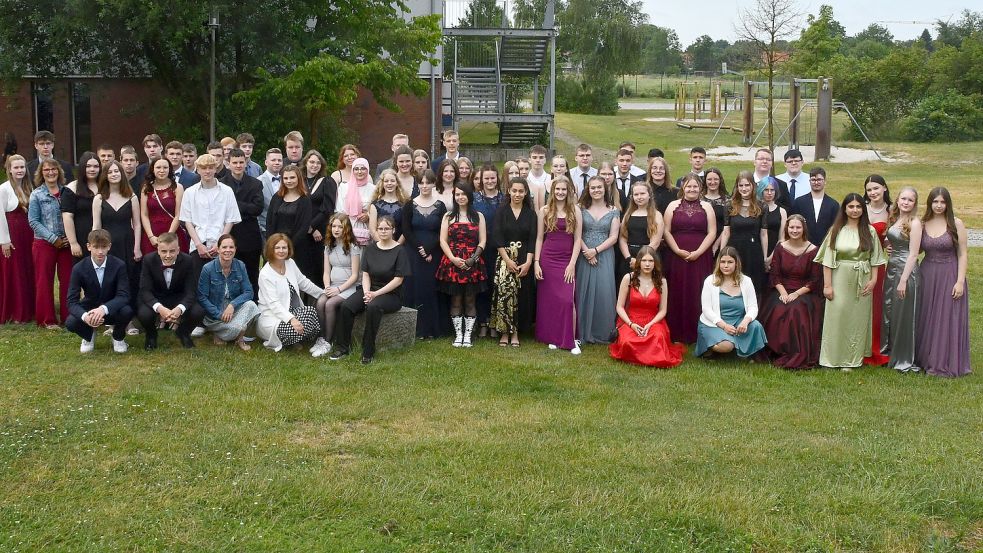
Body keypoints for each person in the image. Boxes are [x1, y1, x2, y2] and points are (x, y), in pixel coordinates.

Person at [815, 193, 887, 370]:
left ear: (863, 209)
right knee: (837, 317)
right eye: (851, 207)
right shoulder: (836, 230)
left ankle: (852, 359)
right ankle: (831, 358)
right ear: (845, 209)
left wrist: (873, 280)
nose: (855, 210)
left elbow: (876, 258)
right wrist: (827, 285)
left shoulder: (868, 231)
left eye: (858, 207)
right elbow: (827, 260)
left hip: (862, 278)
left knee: (856, 320)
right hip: (839, 278)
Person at [329, 216, 411, 364]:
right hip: (370, 289)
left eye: (387, 228)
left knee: (373, 307)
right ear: (376, 230)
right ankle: (342, 347)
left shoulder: (400, 251)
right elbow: (365, 274)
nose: (383, 231)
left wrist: (375, 294)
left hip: (391, 294)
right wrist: (367, 292)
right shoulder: (371, 248)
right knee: (347, 306)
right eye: (380, 228)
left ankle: (368, 351)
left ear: (393, 230)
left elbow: (398, 280)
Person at [916, 187, 970, 377]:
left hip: (950, 273)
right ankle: (926, 357)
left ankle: (944, 361)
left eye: (942, 202)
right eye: (935, 202)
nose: (939, 206)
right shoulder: (922, 224)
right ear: (930, 203)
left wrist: (960, 281)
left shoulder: (956, 224)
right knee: (927, 316)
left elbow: (963, 254)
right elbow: (916, 250)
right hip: (928, 273)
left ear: (948, 204)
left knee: (946, 316)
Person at [758, 215, 822, 369]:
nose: (794, 230)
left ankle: (795, 351)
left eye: (798, 227)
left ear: (803, 229)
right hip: (782, 289)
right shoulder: (780, 247)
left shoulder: (813, 250)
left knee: (796, 310)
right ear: (787, 228)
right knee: (778, 308)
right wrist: (784, 293)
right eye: (791, 227)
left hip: (804, 292)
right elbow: (775, 275)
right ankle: (776, 351)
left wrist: (796, 294)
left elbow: (814, 280)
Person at [663, 173, 716, 344]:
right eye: (689, 186)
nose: (692, 189)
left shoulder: (707, 207)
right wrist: (677, 250)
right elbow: (666, 231)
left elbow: (712, 232)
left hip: (701, 256)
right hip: (676, 256)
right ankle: (677, 332)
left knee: (698, 291)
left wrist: (699, 252)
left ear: (700, 188)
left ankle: (697, 333)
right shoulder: (672, 205)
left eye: (695, 186)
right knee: (677, 290)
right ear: (683, 187)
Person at [609, 246, 684, 367]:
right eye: (644, 260)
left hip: (654, 321)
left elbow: (663, 310)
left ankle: (645, 356)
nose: (647, 264)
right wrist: (631, 325)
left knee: (657, 339)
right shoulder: (628, 278)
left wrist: (650, 325)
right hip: (630, 321)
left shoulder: (662, 281)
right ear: (638, 262)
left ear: (655, 263)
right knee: (628, 342)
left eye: (651, 261)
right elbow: (619, 307)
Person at [92, 160, 143, 335]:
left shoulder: (132, 196)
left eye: (117, 171)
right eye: (110, 172)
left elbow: (137, 225)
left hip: (127, 245)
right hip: (107, 248)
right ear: (105, 175)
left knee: (127, 282)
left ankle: (128, 322)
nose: (114, 174)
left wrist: (137, 247)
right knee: (109, 283)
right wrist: (95, 249)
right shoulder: (99, 199)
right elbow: (96, 226)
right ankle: (112, 322)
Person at [534, 176, 583, 354]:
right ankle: (553, 336)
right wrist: (537, 262)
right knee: (551, 301)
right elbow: (540, 238)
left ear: (568, 191)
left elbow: (578, 239)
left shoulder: (575, 210)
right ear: (552, 191)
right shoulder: (545, 210)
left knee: (567, 300)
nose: (560, 193)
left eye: (564, 190)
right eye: (557, 190)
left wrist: (572, 264)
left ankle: (572, 339)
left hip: (566, 259)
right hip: (548, 258)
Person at [436, 183, 488, 347]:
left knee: (470, 300)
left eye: (463, 194)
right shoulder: (448, 216)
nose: (460, 197)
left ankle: (468, 335)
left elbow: (483, 240)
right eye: (457, 194)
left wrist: (473, 259)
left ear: (469, 196)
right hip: (452, 262)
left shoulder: (478, 216)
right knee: (456, 300)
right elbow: (443, 240)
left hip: (473, 262)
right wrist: (452, 258)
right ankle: (458, 334)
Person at [65, 229, 133, 353]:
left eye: (104, 247)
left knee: (127, 311)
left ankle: (118, 337)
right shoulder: (78, 268)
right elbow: (71, 301)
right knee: (71, 322)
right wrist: (86, 317)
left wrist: (103, 309)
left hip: (112, 308)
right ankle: (88, 335)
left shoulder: (119, 265)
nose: (100, 251)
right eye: (96, 247)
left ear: (109, 247)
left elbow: (124, 295)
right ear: (88, 246)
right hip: (90, 307)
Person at [256, 233, 325, 353]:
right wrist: (292, 319)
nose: (281, 251)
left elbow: (304, 283)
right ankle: (289, 340)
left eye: (284, 248)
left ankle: (295, 339)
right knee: (294, 328)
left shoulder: (290, 263)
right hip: (272, 318)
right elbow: (274, 305)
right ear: (270, 250)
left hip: (291, 312)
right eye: (277, 248)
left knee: (311, 312)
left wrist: (323, 293)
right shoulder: (265, 274)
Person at [179, 154, 242, 283]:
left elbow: (230, 219)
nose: (207, 171)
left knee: (220, 283)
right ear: (197, 169)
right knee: (198, 283)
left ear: (215, 168)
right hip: (198, 245)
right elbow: (187, 221)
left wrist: (220, 243)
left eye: (210, 167)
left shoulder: (227, 191)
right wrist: (198, 244)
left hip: (221, 246)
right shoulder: (189, 192)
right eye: (203, 168)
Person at [695, 247, 767, 359]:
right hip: (714, 324)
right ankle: (711, 348)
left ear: (736, 263)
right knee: (726, 346)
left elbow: (753, 307)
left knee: (756, 326)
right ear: (718, 263)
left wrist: (745, 322)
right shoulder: (710, 280)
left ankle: (745, 350)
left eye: (730, 262)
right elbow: (706, 309)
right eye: (723, 262)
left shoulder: (746, 281)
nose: (726, 265)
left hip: (738, 322)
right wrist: (724, 326)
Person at [490, 177, 537, 347]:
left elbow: (533, 239)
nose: (517, 194)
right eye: (514, 190)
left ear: (526, 193)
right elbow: (497, 237)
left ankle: (516, 331)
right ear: (508, 191)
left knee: (521, 295)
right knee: (505, 295)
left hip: (524, 259)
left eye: (521, 191)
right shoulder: (501, 212)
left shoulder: (531, 214)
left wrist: (529, 262)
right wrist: (507, 260)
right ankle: (504, 331)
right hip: (505, 258)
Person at [401, 169, 448, 339]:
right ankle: (416, 329)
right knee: (414, 289)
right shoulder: (409, 204)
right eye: (421, 182)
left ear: (434, 183)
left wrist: (429, 249)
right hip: (413, 253)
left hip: (434, 253)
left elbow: (443, 231)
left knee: (431, 289)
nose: (425, 185)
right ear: (418, 184)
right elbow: (406, 230)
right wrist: (420, 248)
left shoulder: (440, 206)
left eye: (428, 182)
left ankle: (432, 329)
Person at [138, 232, 205, 350]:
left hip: (177, 298)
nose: (168, 255)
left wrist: (180, 308)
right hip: (156, 297)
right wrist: (160, 308)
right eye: (164, 251)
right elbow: (145, 290)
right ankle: (151, 335)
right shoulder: (148, 260)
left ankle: (183, 332)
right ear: (158, 250)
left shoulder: (188, 260)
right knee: (144, 314)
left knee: (198, 311)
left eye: (172, 251)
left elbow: (191, 291)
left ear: (178, 250)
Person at [575, 176, 620, 344]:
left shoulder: (613, 210)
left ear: (605, 188)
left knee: (603, 291)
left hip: (605, 254)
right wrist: (587, 251)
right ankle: (581, 329)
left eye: (599, 187)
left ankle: (601, 331)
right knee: (582, 290)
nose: (596, 190)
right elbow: (576, 233)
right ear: (588, 189)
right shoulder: (580, 208)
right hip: (583, 252)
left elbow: (614, 237)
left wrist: (596, 251)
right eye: (592, 187)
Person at [28, 158, 73, 328]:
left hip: (66, 243)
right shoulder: (37, 194)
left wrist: (69, 237)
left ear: (59, 171)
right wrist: (53, 239)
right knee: (44, 281)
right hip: (44, 243)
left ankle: (69, 317)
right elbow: (33, 221)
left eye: (54, 169)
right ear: (41, 173)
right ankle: (47, 320)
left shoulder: (67, 192)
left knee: (68, 280)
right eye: (46, 170)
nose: (51, 172)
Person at [881, 187, 922, 373]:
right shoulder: (895, 218)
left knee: (904, 314)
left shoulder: (915, 223)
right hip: (892, 267)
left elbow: (914, 254)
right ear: (897, 200)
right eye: (903, 199)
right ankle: (891, 352)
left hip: (907, 270)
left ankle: (905, 357)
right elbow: (892, 239)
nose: (906, 202)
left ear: (914, 204)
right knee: (891, 311)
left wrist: (904, 280)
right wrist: (889, 246)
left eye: (910, 200)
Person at [197, 234, 260, 350]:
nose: (228, 250)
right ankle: (226, 331)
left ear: (235, 249)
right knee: (236, 327)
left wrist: (232, 305)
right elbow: (202, 297)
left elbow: (249, 292)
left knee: (252, 305)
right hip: (215, 314)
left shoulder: (240, 265)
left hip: (233, 310)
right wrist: (219, 314)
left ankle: (236, 337)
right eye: (224, 247)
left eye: (231, 247)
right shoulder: (208, 268)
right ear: (218, 249)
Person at [311, 214, 362, 357]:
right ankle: (322, 338)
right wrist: (327, 287)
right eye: (334, 226)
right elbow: (326, 271)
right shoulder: (328, 246)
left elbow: (355, 275)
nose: (336, 229)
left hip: (348, 287)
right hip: (333, 285)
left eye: (340, 226)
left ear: (346, 228)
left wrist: (339, 290)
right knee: (321, 302)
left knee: (330, 304)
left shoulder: (353, 247)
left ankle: (328, 340)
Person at [221, 148, 265, 296]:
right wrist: (246, 207)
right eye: (235, 162)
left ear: (246, 162)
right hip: (229, 233)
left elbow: (257, 209)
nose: (238, 165)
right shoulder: (221, 184)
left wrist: (235, 204)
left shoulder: (255, 184)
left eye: (241, 162)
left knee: (251, 273)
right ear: (229, 163)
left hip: (250, 236)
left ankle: (253, 303)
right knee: (229, 273)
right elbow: (222, 209)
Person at [718, 171, 768, 293]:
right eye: (741, 185)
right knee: (734, 282)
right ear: (737, 186)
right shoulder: (729, 205)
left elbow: (763, 233)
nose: (744, 188)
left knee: (752, 286)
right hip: (735, 250)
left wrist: (765, 257)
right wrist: (721, 254)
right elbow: (726, 232)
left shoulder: (762, 206)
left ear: (753, 186)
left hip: (753, 251)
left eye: (747, 185)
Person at [0, 154, 36, 323]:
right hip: (12, 235)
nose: (20, 170)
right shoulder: (4, 188)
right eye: (16, 167)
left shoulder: (29, 186)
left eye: (22, 167)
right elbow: (0, 216)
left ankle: (30, 308)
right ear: (9, 170)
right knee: (14, 272)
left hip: (28, 235)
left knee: (28, 269)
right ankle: (15, 312)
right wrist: (4, 241)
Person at [472, 164, 505, 339]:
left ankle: (495, 323)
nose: (490, 181)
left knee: (497, 286)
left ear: (497, 178)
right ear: (481, 180)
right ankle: (483, 323)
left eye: (493, 178)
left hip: (500, 249)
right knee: (481, 286)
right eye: (486, 178)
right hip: (480, 248)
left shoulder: (504, 198)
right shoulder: (474, 198)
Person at [862, 174, 892, 366]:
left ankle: (877, 347)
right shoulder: (860, 209)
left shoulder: (892, 211)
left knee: (878, 306)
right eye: (869, 189)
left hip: (879, 264)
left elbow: (897, 233)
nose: (873, 192)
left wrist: (890, 244)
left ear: (884, 188)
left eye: (876, 188)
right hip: (860, 262)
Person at [266, 164, 315, 274]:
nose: (289, 181)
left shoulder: (305, 200)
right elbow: (269, 222)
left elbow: (304, 226)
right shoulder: (276, 197)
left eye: (292, 177)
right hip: (276, 246)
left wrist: (288, 247)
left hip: (297, 248)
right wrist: (273, 244)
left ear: (298, 178)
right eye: (286, 178)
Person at [140, 157, 188, 255]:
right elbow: (144, 214)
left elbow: (178, 214)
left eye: (165, 167)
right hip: (152, 234)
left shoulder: (177, 187)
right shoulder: (146, 188)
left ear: (170, 169)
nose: (162, 170)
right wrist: (151, 236)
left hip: (173, 233)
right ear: (153, 169)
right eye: (158, 167)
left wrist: (169, 236)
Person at [618, 182, 664, 283]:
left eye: (642, 193)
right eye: (636, 194)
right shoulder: (628, 215)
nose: (639, 197)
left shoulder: (656, 215)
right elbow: (622, 238)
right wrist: (629, 258)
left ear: (649, 195)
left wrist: (640, 261)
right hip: (629, 259)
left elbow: (655, 242)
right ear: (632, 197)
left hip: (649, 258)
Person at [62, 151, 102, 263]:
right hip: (81, 238)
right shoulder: (72, 188)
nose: (92, 169)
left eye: (96, 166)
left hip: (103, 238)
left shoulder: (105, 187)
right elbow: (67, 217)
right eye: (88, 166)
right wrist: (73, 243)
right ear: (82, 167)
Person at [791, 167, 838, 246]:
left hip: (825, 246)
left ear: (825, 181)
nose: (816, 182)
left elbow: (836, 227)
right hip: (802, 246)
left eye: (819, 180)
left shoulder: (833, 205)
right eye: (813, 180)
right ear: (809, 181)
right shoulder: (799, 202)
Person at [336, 157, 374, 246]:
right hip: (346, 229)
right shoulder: (344, 187)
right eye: (356, 169)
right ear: (352, 171)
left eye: (363, 168)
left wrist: (368, 215)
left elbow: (376, 208)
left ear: (367, 170)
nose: (359, 172)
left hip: (366, 231)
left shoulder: (373, 189)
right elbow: (339, 209)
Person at [368, 169, 407, 243]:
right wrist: (385, 245)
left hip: (399, 246)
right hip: (380, 246)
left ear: (397, 183)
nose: (389, 183)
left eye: (392, 181)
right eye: (386, 181)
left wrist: (396, 245)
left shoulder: (404, 204)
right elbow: (372, 230)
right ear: (382, 184)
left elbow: (406, 229)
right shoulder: (375, 205)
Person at [701, 167, 729, 254]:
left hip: (721, 241)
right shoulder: (699, 199)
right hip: (701, 241)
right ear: (705, 181)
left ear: (720, 180)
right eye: (709, 179)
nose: (712, 182)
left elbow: (728, 226)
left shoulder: (727, 201)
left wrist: (717, 244)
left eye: (716, 179)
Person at [258, 147, 284, 238]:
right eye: (273, 160)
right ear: (266, 162)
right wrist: (261, 229)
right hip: (265, 230)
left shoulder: (287, 181)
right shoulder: (258, 182)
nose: (277, 162)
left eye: (279, 160)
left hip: (285, 229)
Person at [761, 179, 788, 266]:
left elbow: (782, 238)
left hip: (775, 252)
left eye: (772, 190)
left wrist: (770, 258)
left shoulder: (782, 211)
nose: (769, 193)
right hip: (757, 251)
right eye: (766, 190)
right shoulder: (756, 209)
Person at [526, 144, 551, 209]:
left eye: (541, 157)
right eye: (534, 157)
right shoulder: (525, 179)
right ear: (529, 160)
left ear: (545, 160)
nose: (538, 160)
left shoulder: (551, 179)